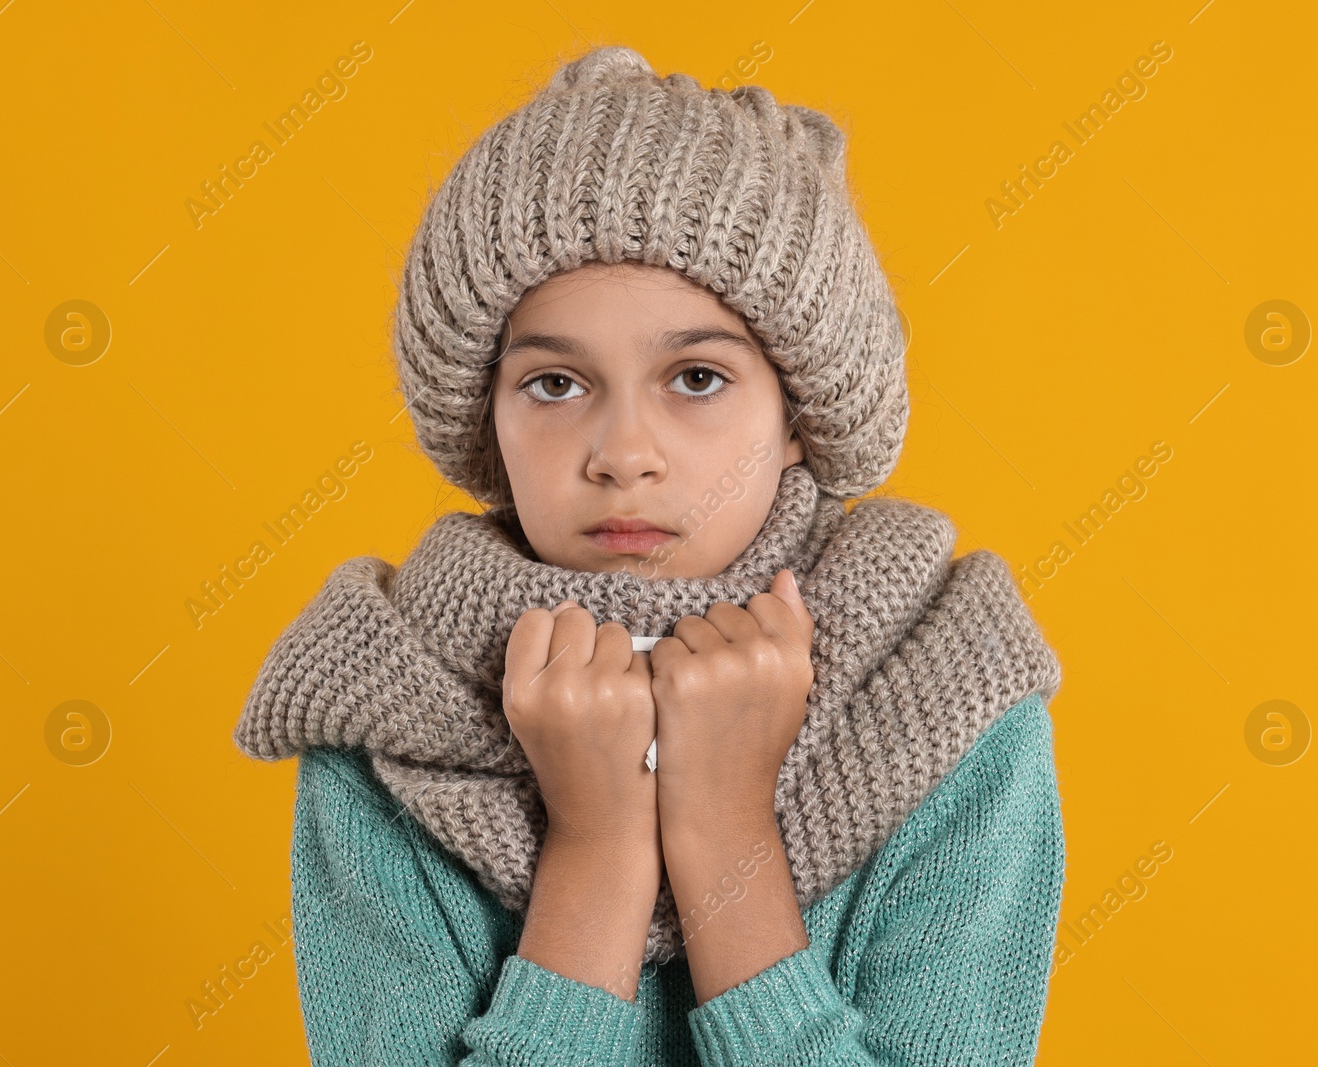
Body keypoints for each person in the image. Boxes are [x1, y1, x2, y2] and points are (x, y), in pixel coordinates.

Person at [234, 44, 1065, 1065]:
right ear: (483, 416)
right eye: (553, 385)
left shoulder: (943, 690)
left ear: (800, 409)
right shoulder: (386, 707)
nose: (622, 454)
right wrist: (596, 850)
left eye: (698, 377)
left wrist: (724, 830)